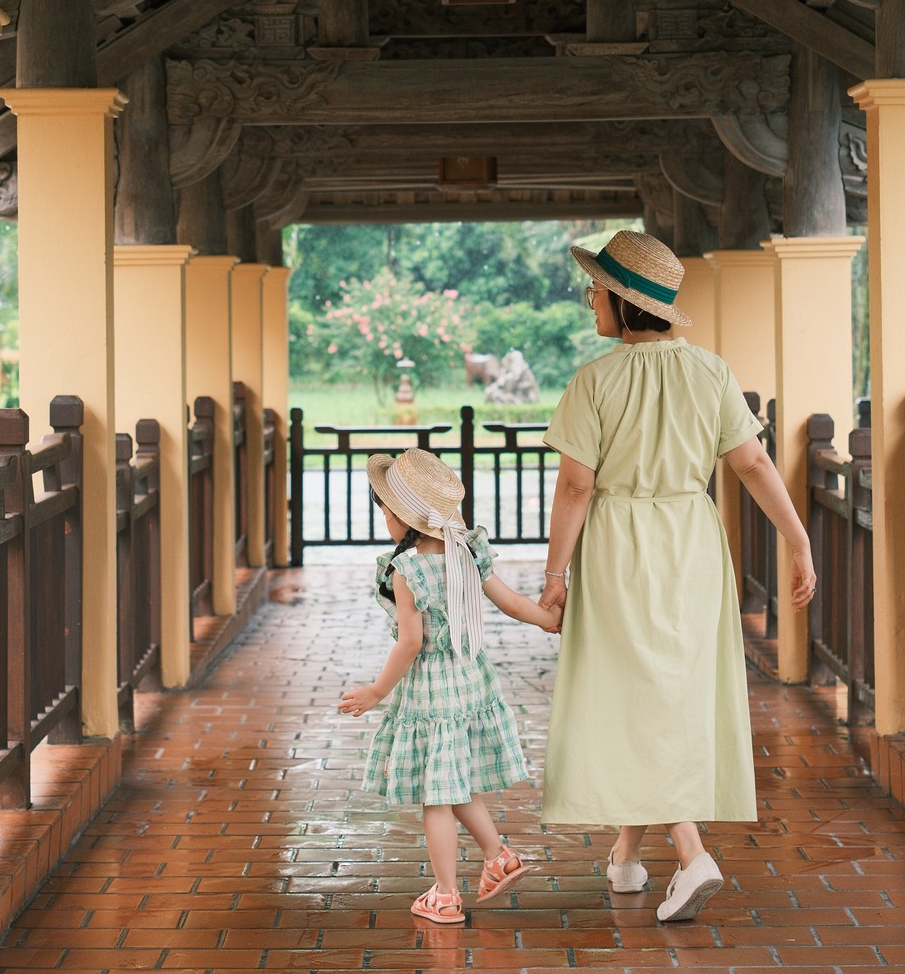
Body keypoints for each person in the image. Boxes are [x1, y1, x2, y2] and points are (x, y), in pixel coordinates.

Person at [538, 229, 818, 924]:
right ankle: (626, 857)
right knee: (664, 693)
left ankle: (691, 855)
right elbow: (751, 464)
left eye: (596, 290)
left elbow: (576, 486)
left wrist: (553, 577)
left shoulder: (594, 380)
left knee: (632, 696)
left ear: (625, 305)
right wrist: (798, 538)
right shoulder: (711, 372)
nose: (588, 300)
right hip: (692, 544)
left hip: (619, 545)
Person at [339, 446, 564, 925]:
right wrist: (548, 619)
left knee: (435, 796)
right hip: (471, 679)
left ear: (403, 515)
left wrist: (377, 692)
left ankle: (444, 895)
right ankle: (498, 856)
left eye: (384, 509)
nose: (384, 518)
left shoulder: (407, 570)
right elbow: (509, 602)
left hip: (431, 692)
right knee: (451, 782)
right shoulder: (467, 551)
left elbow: (411, 643)